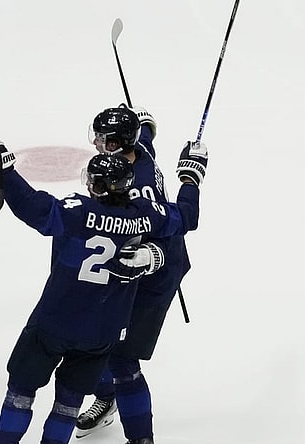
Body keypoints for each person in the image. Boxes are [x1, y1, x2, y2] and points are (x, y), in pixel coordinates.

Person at [0, 128, 207, 444]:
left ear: (94, 185)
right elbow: (186, 218)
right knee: (67, 405)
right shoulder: (146, 215)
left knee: (21, 393)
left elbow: (28, 205)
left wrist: (4, 168)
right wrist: (190, 180)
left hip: (55, 322)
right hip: (102, 333)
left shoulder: (77, 211)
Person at [74, 106, 190, 444]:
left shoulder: (136, 189)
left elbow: (181, 219)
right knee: (88, 338)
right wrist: (145, 121)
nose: (96, 143)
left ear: (117, 144)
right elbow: (147, 135)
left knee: (121, 357)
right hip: (126, 266)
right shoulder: (138, 150)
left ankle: (141, 438)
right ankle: (106, 395)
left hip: (153, 272)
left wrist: (191, 179)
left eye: (102, 139)